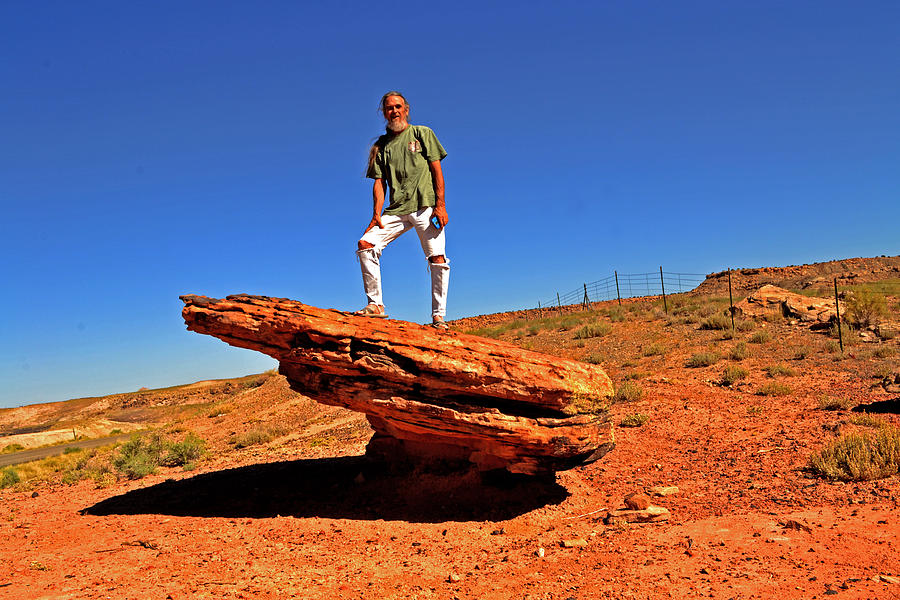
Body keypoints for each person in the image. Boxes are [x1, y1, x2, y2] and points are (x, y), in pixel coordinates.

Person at [355, 91, 450, 328]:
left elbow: (437, 170)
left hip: (425, 206)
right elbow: (379, 183)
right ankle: (375, 305)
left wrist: (441, 205)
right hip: (396, 210)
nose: (394, 111)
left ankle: (438, 317)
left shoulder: (422, 134)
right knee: (366, 244)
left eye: (398, 106)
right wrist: (376, 215)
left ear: (406, 109)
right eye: (389, 108)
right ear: (383, 113)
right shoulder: (380, 146)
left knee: (437, 258)